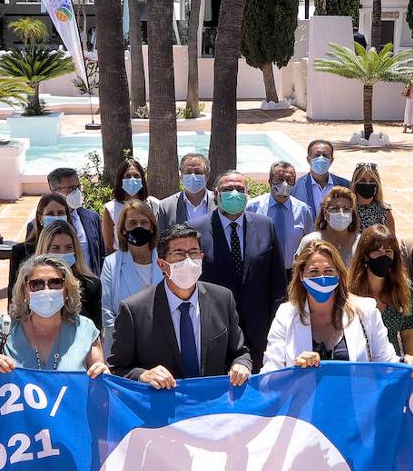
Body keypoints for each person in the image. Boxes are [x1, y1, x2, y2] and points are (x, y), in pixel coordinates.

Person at [108, 224, 253, 387]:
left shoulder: (223, 299)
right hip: (163, 406)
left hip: (212, 407)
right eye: (179, 254)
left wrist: (241, 365)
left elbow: (240, 353)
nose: (188, 260)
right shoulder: (134, 310)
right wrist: (143, 375)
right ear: (162, 264)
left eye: (194, 252)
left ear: (202, 257)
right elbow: (118, 369)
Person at [261, 239, 413, 377]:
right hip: (304, 413)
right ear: (301, 276)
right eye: (314, 272)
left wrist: (408, 362)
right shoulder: (285, 315)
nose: (322, 278)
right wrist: (294, 369)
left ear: (339, 275)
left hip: (354, 411)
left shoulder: (365, 311)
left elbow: (386, 361)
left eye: (328, 271)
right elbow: (269, 375)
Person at [191, 170, 287, 369]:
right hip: (215, 329)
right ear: (216, 194)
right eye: (227, 189)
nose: (234, 193)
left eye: (239, 189)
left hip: (259, 330)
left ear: (247, 194)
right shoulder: (195, 230)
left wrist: (276, 324)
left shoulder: (265, 225)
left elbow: (277, 281)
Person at [0, 255, 108, 377]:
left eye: (55, 282)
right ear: (25, 292)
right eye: (36, 284)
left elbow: (101, 389)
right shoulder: (3, 329)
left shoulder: (85, 330)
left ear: (67, 290)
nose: (46, 290)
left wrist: (103, 373)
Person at [100, 199, 163, 353]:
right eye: (133, 223)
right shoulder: (111, 263)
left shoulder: (166, 261)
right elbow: (106, 311)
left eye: (144, 222)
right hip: (122, 347)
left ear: (152, 228)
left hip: (163, 346)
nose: (139, 227)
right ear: (123, 230)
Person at [349, 224, 413, 356]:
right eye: (377, 251)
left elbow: (408, 331)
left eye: (388, 251)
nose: (383, 256)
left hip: (390, 362)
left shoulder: (405, 288)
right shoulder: (350, 288)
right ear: (365, 256)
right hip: (360, 363)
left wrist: (412, 366)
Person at [22, 167, 104, 271]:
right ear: (54, 191)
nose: (76, 192)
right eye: (70, 188)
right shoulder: (35, 226)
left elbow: (101, 255)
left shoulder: (92, 218)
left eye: (78, 187)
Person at [247, 160, 316, 272]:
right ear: (270, 181)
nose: (285, 184)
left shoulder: (303, 210)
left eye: (289, 180)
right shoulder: (252, 208)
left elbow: (310, 243)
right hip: (260, 271)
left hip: (292, 273)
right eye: (279, 179)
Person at [35, 220, 103, 326]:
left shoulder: (92, 285)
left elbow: (96, 330)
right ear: (44, 251)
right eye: (55, 248)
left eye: (69, 248)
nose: (63, 253)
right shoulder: (34, 285)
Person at [8, 192, 71, 293]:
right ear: (40, 218)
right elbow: (14, 290)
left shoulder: (73, 248)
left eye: (60, 213)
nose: (56, 217)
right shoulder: (20, 251)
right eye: (50, 213)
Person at [101, 157, 158, 254]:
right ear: (120, 180)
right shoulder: (110, 209)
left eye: (136, 176)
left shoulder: (154, 204)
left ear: (142, 179)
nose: (132, 179)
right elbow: (109, 247)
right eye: (127, 176)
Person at [297, 187, 360, 265]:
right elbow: (298, 272)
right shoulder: (310, 241)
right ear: (325, 213)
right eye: (335, 209)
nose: (341, 213)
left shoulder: (360, 242)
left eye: (346, 209)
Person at [292, 139, 351, 218]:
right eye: (317, 155)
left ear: (331, 160)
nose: (321, 158)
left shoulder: (345, 185)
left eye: (325, 155)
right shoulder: (295, 187)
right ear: (308, 159)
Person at [156, 152, 215, 229]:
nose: (193, 176)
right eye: (188, 172)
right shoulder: (166, 206)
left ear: (207, 176)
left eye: (198, 172)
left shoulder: (219, 203)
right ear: (181, 177)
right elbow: (160, 238)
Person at [351, 162, 396, 234]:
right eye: (363, 180)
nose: (368, 184)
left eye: (372, 181)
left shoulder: (384, 211)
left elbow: (392, 241)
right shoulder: (348, 209)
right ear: (355, 183)